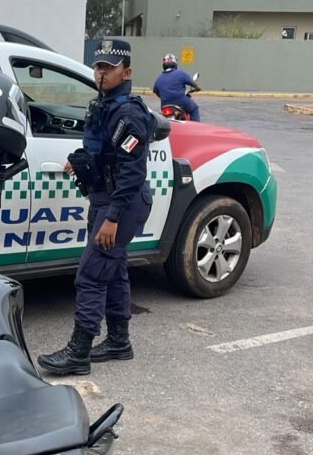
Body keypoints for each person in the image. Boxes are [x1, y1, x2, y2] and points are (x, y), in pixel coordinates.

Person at [38, 38, 155, 376]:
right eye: (98, 66)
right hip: (106, 198)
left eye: (109, 67)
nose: (101, 73)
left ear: (126, 72)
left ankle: (79, 350)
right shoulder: (105, 104)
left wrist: (113, 219)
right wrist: (83, 164)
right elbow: (106, 153)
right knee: (113, 270)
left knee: (91, 274)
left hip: (122, 204)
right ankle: (119, 342)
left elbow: (133, 172)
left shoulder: (128, 112)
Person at [152, 54, 201, 121]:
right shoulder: (180, 73)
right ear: (175, 64)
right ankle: (196, 128)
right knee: (194, 108)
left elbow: (155, 91)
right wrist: (197, 88)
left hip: (165, 104)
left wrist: (162, 96)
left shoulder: (159, 78)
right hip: (180, 101)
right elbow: (192, 83)